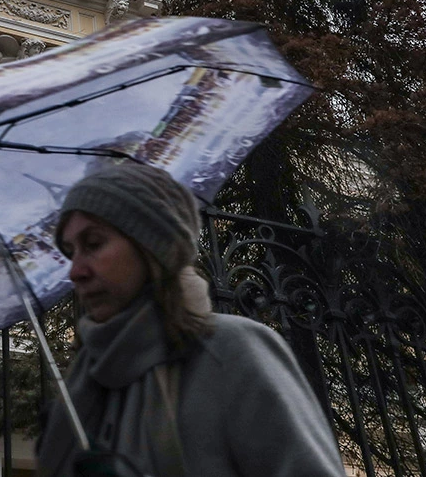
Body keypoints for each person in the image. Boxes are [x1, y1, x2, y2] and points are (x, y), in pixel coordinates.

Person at [37, 163, 346, 477]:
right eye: (70, 251)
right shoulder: (82, 390)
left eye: (93, 244)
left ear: (151, 245)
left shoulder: (231, 353)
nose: (76, 272)